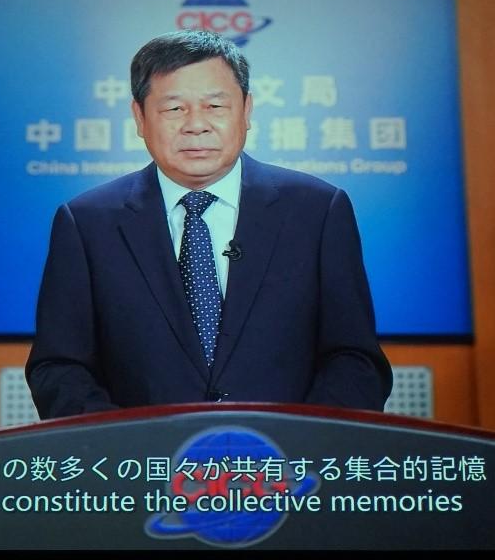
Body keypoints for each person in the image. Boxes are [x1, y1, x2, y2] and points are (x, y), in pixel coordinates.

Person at [26, 29, 391, 418]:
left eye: (215, 106)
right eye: (174, 109)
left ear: (247, 110)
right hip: (141, 454)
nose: (196, 125)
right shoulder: (87, 223)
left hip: (288, 453)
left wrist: (299, 441)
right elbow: (59, 368)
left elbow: (355, 360)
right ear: (139, 117)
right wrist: (126, 444)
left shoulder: (317, 211)